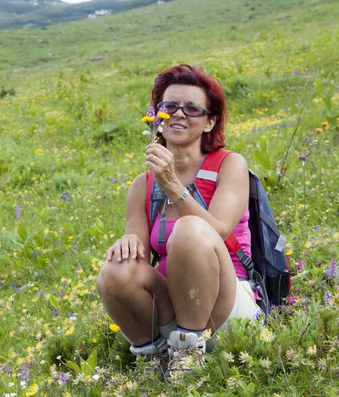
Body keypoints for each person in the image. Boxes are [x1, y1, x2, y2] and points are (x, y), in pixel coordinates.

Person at [96, 64, 262, 379]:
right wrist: (127, 243)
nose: (178, 114)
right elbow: (137, 257)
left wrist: (172, 185)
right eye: (169, 107)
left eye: (192, 108)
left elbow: (220, 231)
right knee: (114, 269)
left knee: (191, 228)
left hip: (226, 307)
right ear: (157, 118)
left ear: (210, 121)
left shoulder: (230, 165)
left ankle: (188, 353)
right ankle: (154, 358)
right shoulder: (143, 185)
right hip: (172, 306)